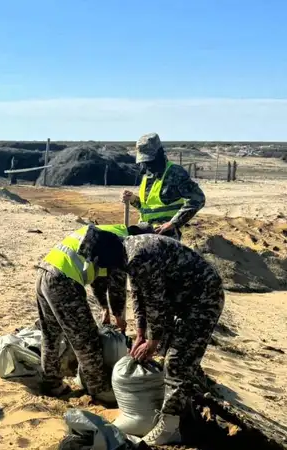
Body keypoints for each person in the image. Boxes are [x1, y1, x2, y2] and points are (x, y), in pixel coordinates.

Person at [123, 234, 225, 446]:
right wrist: (141, 333)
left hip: (203, 300)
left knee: (176, 362)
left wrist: (151, 342)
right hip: (179, 301)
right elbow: (137, 294)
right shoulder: (127, 252)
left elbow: (155, 303)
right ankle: (184, 402)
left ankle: (170, 427)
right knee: (165, 355)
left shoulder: (139, 257)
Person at [35, 223, 134, 403]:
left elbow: (97, 276)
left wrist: (104, 308)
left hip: (45, 270)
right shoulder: (122, 244)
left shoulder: (108, 231)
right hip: (64, 280)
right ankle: (100, 389)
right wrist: (119, 316)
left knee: (51, 334)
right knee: (87, 340)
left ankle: (51, 383)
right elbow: (117, 286)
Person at [121, 133, 205, 241]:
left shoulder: (175, 173)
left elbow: (198, 199)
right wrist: (132, 199)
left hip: (166, 237)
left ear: (159, 153)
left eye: (150, 160)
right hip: (145, 233)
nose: (148, 164)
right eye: (145, 161)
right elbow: (148, 208)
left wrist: (173, 223)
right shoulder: (148, 175)